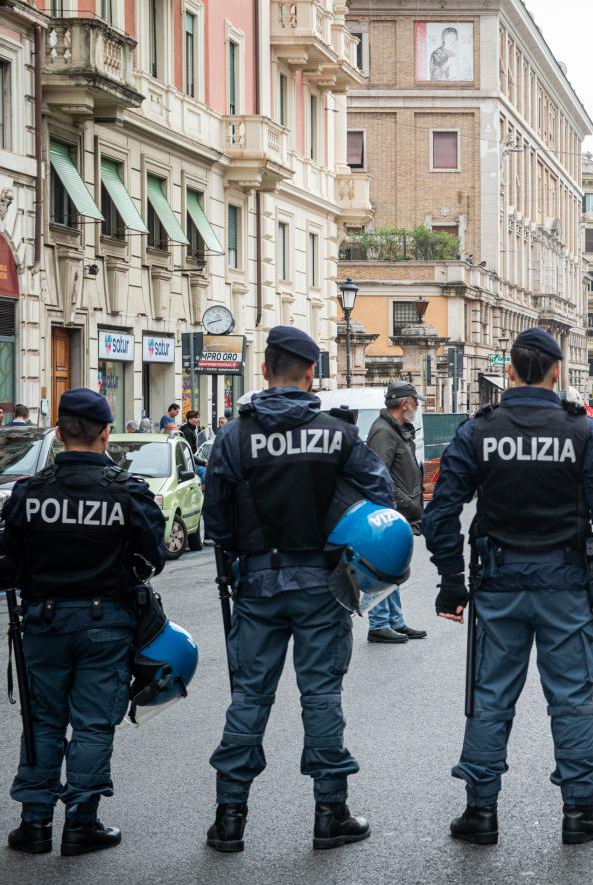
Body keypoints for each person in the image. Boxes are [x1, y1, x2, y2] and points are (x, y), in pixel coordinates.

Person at [423, 328, 593, 846]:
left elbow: (441, 511)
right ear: (557, 371)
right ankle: (579, 810)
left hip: (498, 581)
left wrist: (452, 576)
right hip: (565, 582)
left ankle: (480, 812)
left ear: (511, 372)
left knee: (491, 694)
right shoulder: (582, 432)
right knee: (570, 698)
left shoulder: (478, 431)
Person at [203, 327, 395, 853]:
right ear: (311, 373)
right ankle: (330, 813)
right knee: (322, 697)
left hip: (258, 583)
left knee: (248, 698)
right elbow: (380, 496)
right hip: (321, 582)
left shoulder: (233, 436)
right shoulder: (336, 433)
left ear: (264, 371)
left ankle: (229, 818)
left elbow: (215, 522)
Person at [1, 389, 166, 856]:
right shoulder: (126, 490)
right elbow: (155, 556)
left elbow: (8, 560)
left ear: (58, 431)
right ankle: (81, 823)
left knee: (42, 722)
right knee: (93, 724)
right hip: (106, 622)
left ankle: (33, 824)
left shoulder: (30, 491)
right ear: (105, 432)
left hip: (43, 623)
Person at [364, 381, 428, 644]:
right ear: (404, 403)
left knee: (393, 567)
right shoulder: (383, 432)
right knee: (382, 567)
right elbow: (379, 478)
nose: (417, 406)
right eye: (415, 401)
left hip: (397, 511)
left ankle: (395, 621)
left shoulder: (396, 430)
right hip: (388, 512)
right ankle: (379, 623)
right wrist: (408, 503)